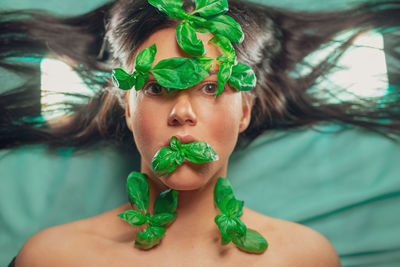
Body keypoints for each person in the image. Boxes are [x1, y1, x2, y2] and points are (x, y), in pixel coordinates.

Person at [1, 0, 399, 266]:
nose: (182, 113)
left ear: (244, 110)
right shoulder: (53, 257)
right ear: (126, 106)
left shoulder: (304, 256)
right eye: (156, 88)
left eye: (211, 88)